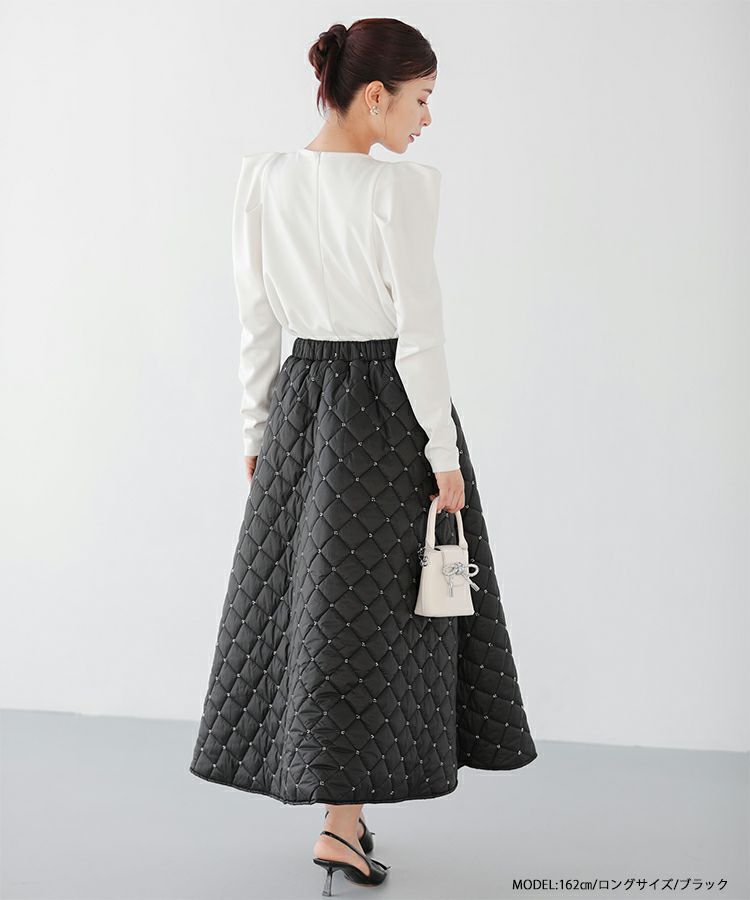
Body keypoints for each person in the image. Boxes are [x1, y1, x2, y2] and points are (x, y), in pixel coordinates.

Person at [189, 16, 538, 895]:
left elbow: (256, 322)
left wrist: (254, 433)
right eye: (421, 100)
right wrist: (443, 453)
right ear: (375, 95)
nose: (427, 119)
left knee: (316, 608)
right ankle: (340, 826)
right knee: (373, 619)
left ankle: (338, 814)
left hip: (302, 409)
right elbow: (418, 338)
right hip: (384, 415)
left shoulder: (264, 180)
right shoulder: (398, 192)